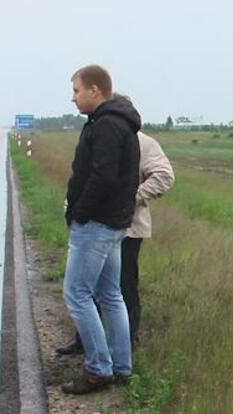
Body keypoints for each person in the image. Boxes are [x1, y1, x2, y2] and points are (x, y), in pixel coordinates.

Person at [57, 128, 174, 355]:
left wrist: (132, 198)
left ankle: (127, 345)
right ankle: (85, 341)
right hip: (95, 225)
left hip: (129, 229)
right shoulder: (100, 137)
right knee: (88, 287)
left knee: (123, 288)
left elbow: (165, 176)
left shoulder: (143, 143)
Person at [61, 65, 141, 395]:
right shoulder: (119, 123)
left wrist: (79, 212)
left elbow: (103, 176)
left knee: (77, 294)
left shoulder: (107, 125)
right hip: (113, 223)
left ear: (95, 90)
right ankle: (121, 366)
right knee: (111, 295)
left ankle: (98, 369)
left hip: (96, 224)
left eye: (77, 90)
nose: (73, 97)